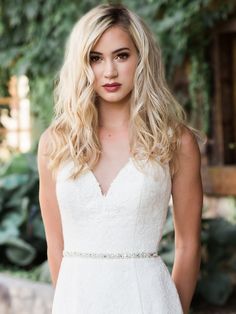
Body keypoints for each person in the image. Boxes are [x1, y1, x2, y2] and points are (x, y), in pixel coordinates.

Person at [37, 3, 204, 314]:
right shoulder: (55, 143)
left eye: (121, 55)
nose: (109, 71)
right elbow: (56, 247)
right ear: (81, 64)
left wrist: (170, 307)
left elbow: (188, 245)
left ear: (141, 58)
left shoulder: (175, 141)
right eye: (95, 58)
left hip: (149, 303)